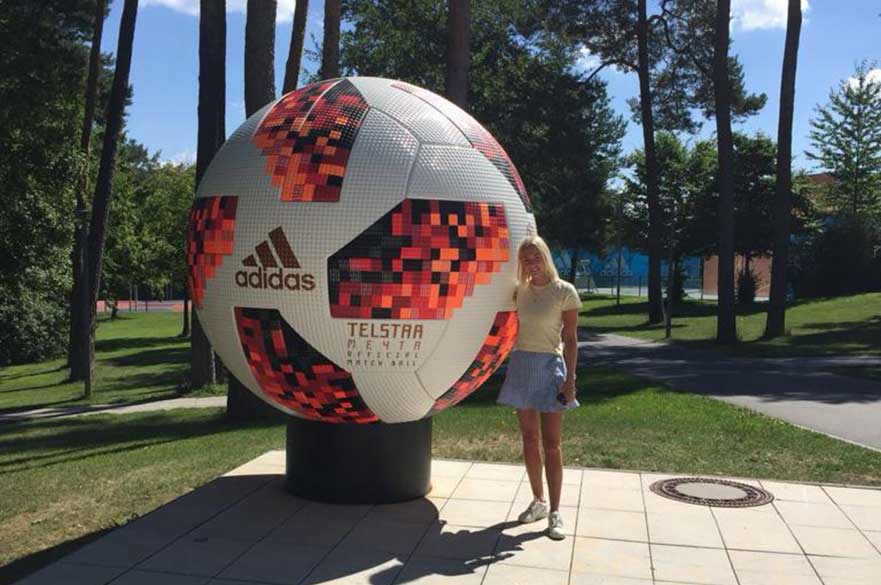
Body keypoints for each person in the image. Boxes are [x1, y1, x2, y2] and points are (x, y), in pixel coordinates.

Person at [497, 235, 581, 540]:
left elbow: (571, 340)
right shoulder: (519, 292)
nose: (531, 263)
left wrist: (570, 380)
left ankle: (556, 512)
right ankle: (539, 502)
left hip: (550, 368)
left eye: (536, 256)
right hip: (521, 365)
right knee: (529, 439)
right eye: (526, 259)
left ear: (545, 255)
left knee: (552, 445)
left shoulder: (564, 292)